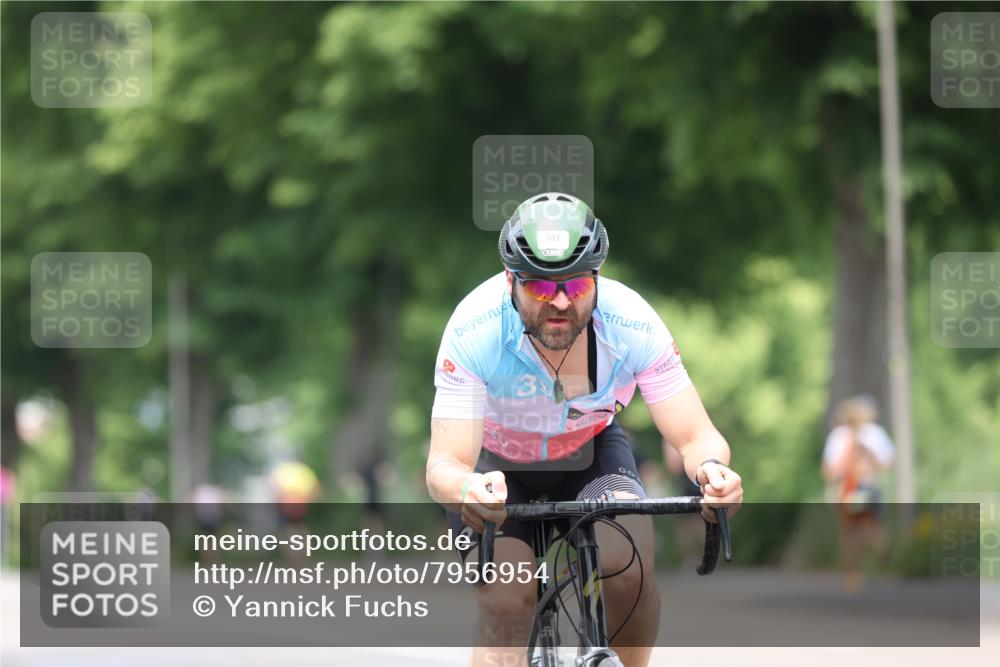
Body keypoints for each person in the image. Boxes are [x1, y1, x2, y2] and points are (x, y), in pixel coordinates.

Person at [425, 193, 743, 667]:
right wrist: (467, 488)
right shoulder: (474, 330)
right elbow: (444, 465)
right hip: (496, 471)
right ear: (511, 280)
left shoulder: (631, 322)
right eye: (539, 288)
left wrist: (714, 472)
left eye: (575, 288)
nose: (558, 302)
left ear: (597, 277)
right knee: (506, 604)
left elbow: (696, 436)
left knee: (630, 568)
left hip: (591, 456)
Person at [822, 395, 895, 591]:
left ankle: (878, 560)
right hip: (848, 488)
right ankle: (857, 572)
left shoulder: (873, 434)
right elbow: (830, 467)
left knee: (866, 530)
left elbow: (886, 462)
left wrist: (866, 455)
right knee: (852, 532)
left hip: (865, 487)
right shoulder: (839, 436)